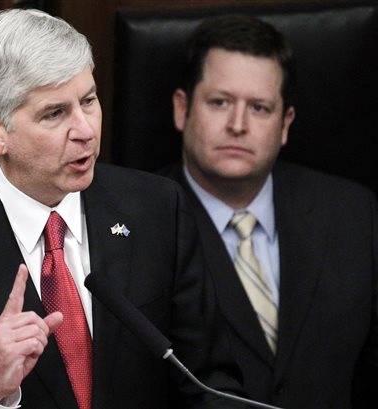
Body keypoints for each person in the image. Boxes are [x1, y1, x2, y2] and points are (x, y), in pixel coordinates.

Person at [0, 8, 244, 409]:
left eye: (89, 100)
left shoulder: (156, 209)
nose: (85, 130)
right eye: (54, 113)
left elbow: (211, 385)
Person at [161, 14, 378, 409]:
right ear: (182, 108)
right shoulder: (142, 222)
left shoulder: (353, 214)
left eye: (259, 108)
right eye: (220, 102)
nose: (238, 125)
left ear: (284, 125)